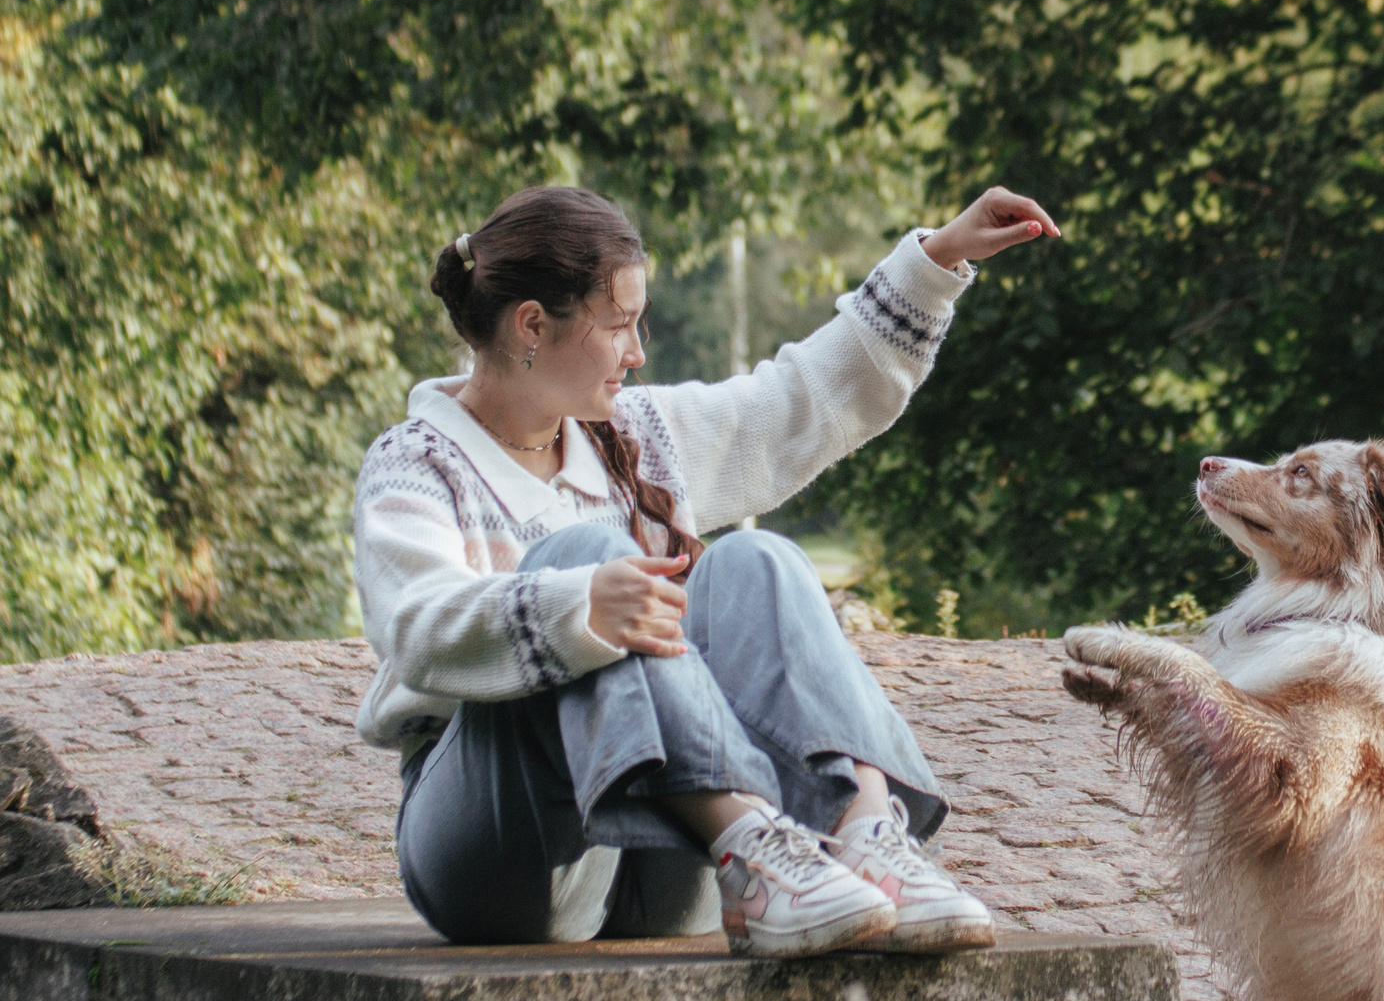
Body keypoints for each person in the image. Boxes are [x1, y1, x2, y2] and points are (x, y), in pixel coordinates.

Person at [354, 184, 1060, 957]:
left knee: (759, 559)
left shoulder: (635, 433)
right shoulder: (418, 462)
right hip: (504, 859)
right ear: (531, 325)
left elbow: (801, 401)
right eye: (618, 325)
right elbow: (412, 627)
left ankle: (862, 838)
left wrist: (937, 260)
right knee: (585, 559)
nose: (637, 352)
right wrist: (578, 605)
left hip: (657, 864)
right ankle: (754, 845)